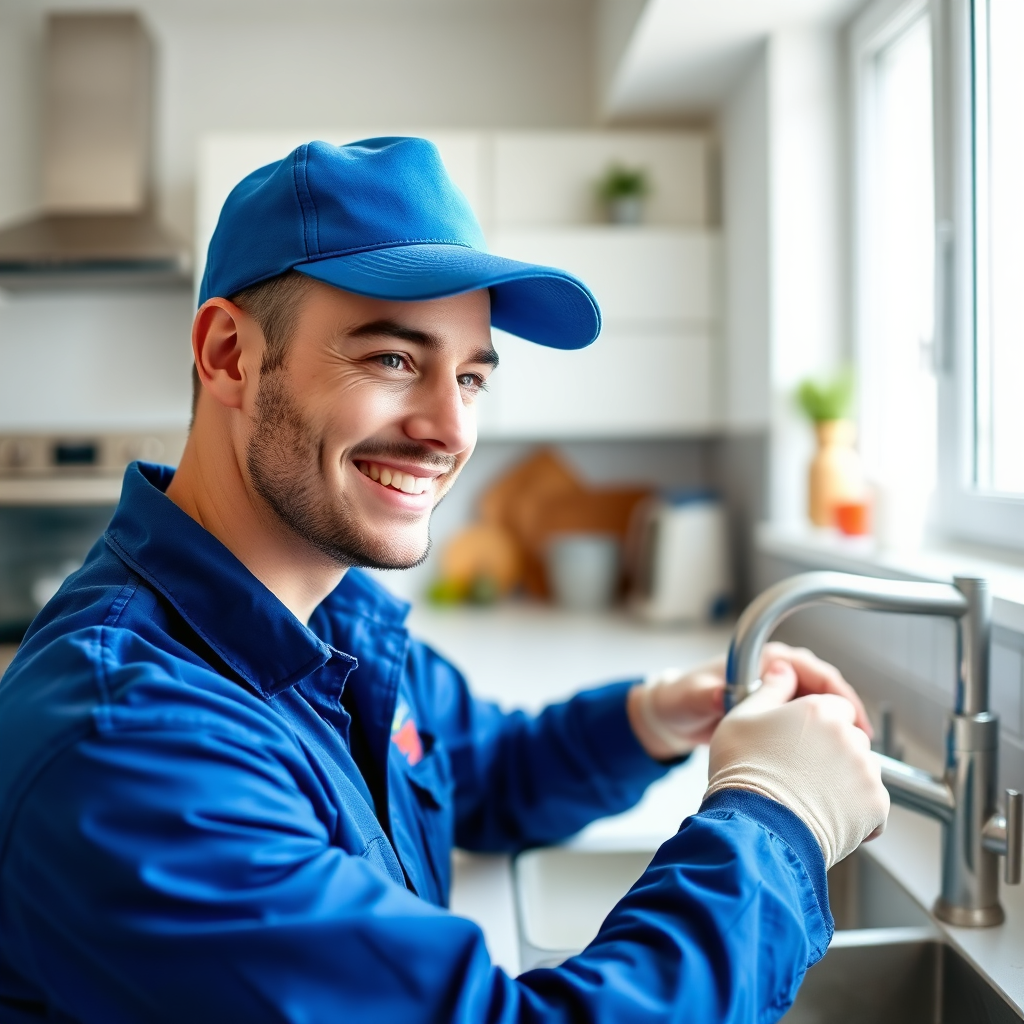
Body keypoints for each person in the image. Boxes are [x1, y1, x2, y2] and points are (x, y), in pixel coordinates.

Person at [0, 138, 888, 1024]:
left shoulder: (325, 609)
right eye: (393, 359)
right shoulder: (132, 747)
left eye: (470, 376)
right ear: (230, 354)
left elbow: (479, 770)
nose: (450, 429)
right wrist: (780, 818)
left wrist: (654, 716)